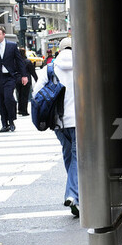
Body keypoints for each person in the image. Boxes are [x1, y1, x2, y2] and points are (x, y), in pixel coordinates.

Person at [33, 37, 78, 217]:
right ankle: (73, 194)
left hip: (58, 122)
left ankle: (76, 195)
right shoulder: (83, 65)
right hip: (80, 121)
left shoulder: (49, 69)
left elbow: (36, 93)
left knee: (69, 156)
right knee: (77, 158)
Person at [0, 26, 27, 133]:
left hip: (9, 77)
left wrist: (24, 75)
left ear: (3, 34)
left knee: (8, 99)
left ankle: (11, 121)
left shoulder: (12, 45)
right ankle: (4, 124)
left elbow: (19, 61)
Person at [17, 48, 38, 116]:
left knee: (19, 95)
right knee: (25, 96)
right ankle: (24, 111)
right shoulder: (27, 62)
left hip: (18, 80)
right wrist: (37, 79)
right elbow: (33, 72)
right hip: (26, 80)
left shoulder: (16, 61)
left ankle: (20, 109)